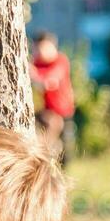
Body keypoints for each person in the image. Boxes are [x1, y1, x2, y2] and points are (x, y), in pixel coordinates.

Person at [29, 31, 77, 164]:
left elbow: (49, 83)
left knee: (65, 152)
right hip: (45, 111)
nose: (39, 52)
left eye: (42, 48)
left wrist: (32, 73)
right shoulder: (37, 62)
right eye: (36, 49)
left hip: (62, 111)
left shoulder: (60, 60)